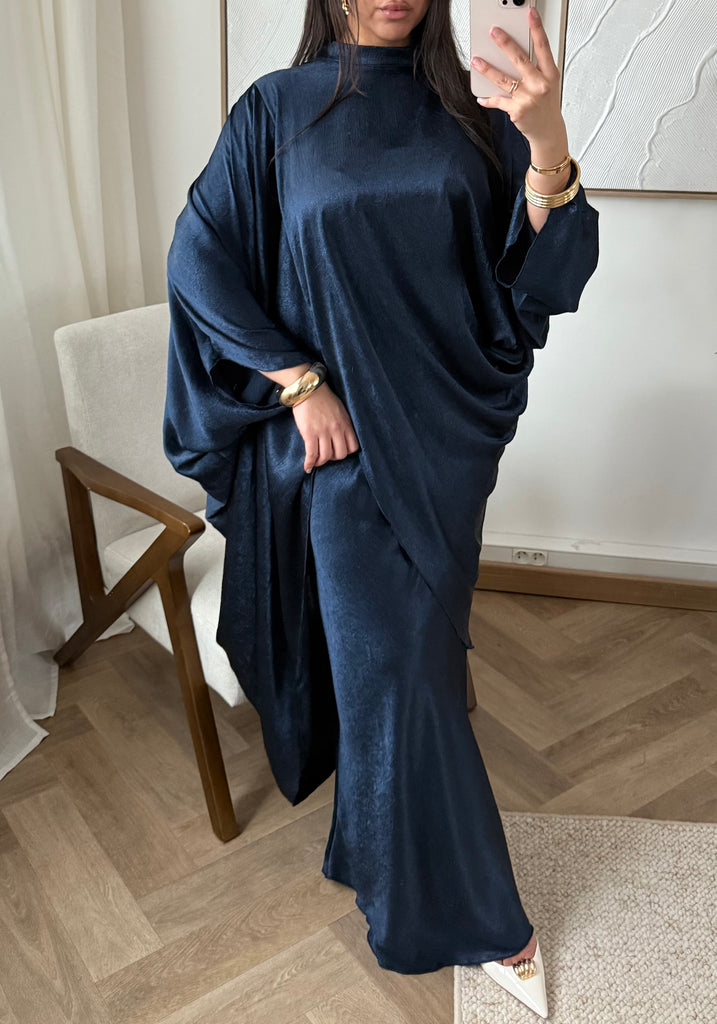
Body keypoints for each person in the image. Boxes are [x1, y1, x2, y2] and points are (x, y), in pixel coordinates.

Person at [163, 0, 599, 1017]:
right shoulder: (276, 112)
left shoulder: (475, 118)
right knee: (402, 675)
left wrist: (546, 139)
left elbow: (542, 279)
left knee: (407, 672)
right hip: (343, 456)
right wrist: (297, 381)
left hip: (448, 440)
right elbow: (198, 257)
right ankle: (477, 919)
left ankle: (370, 845)